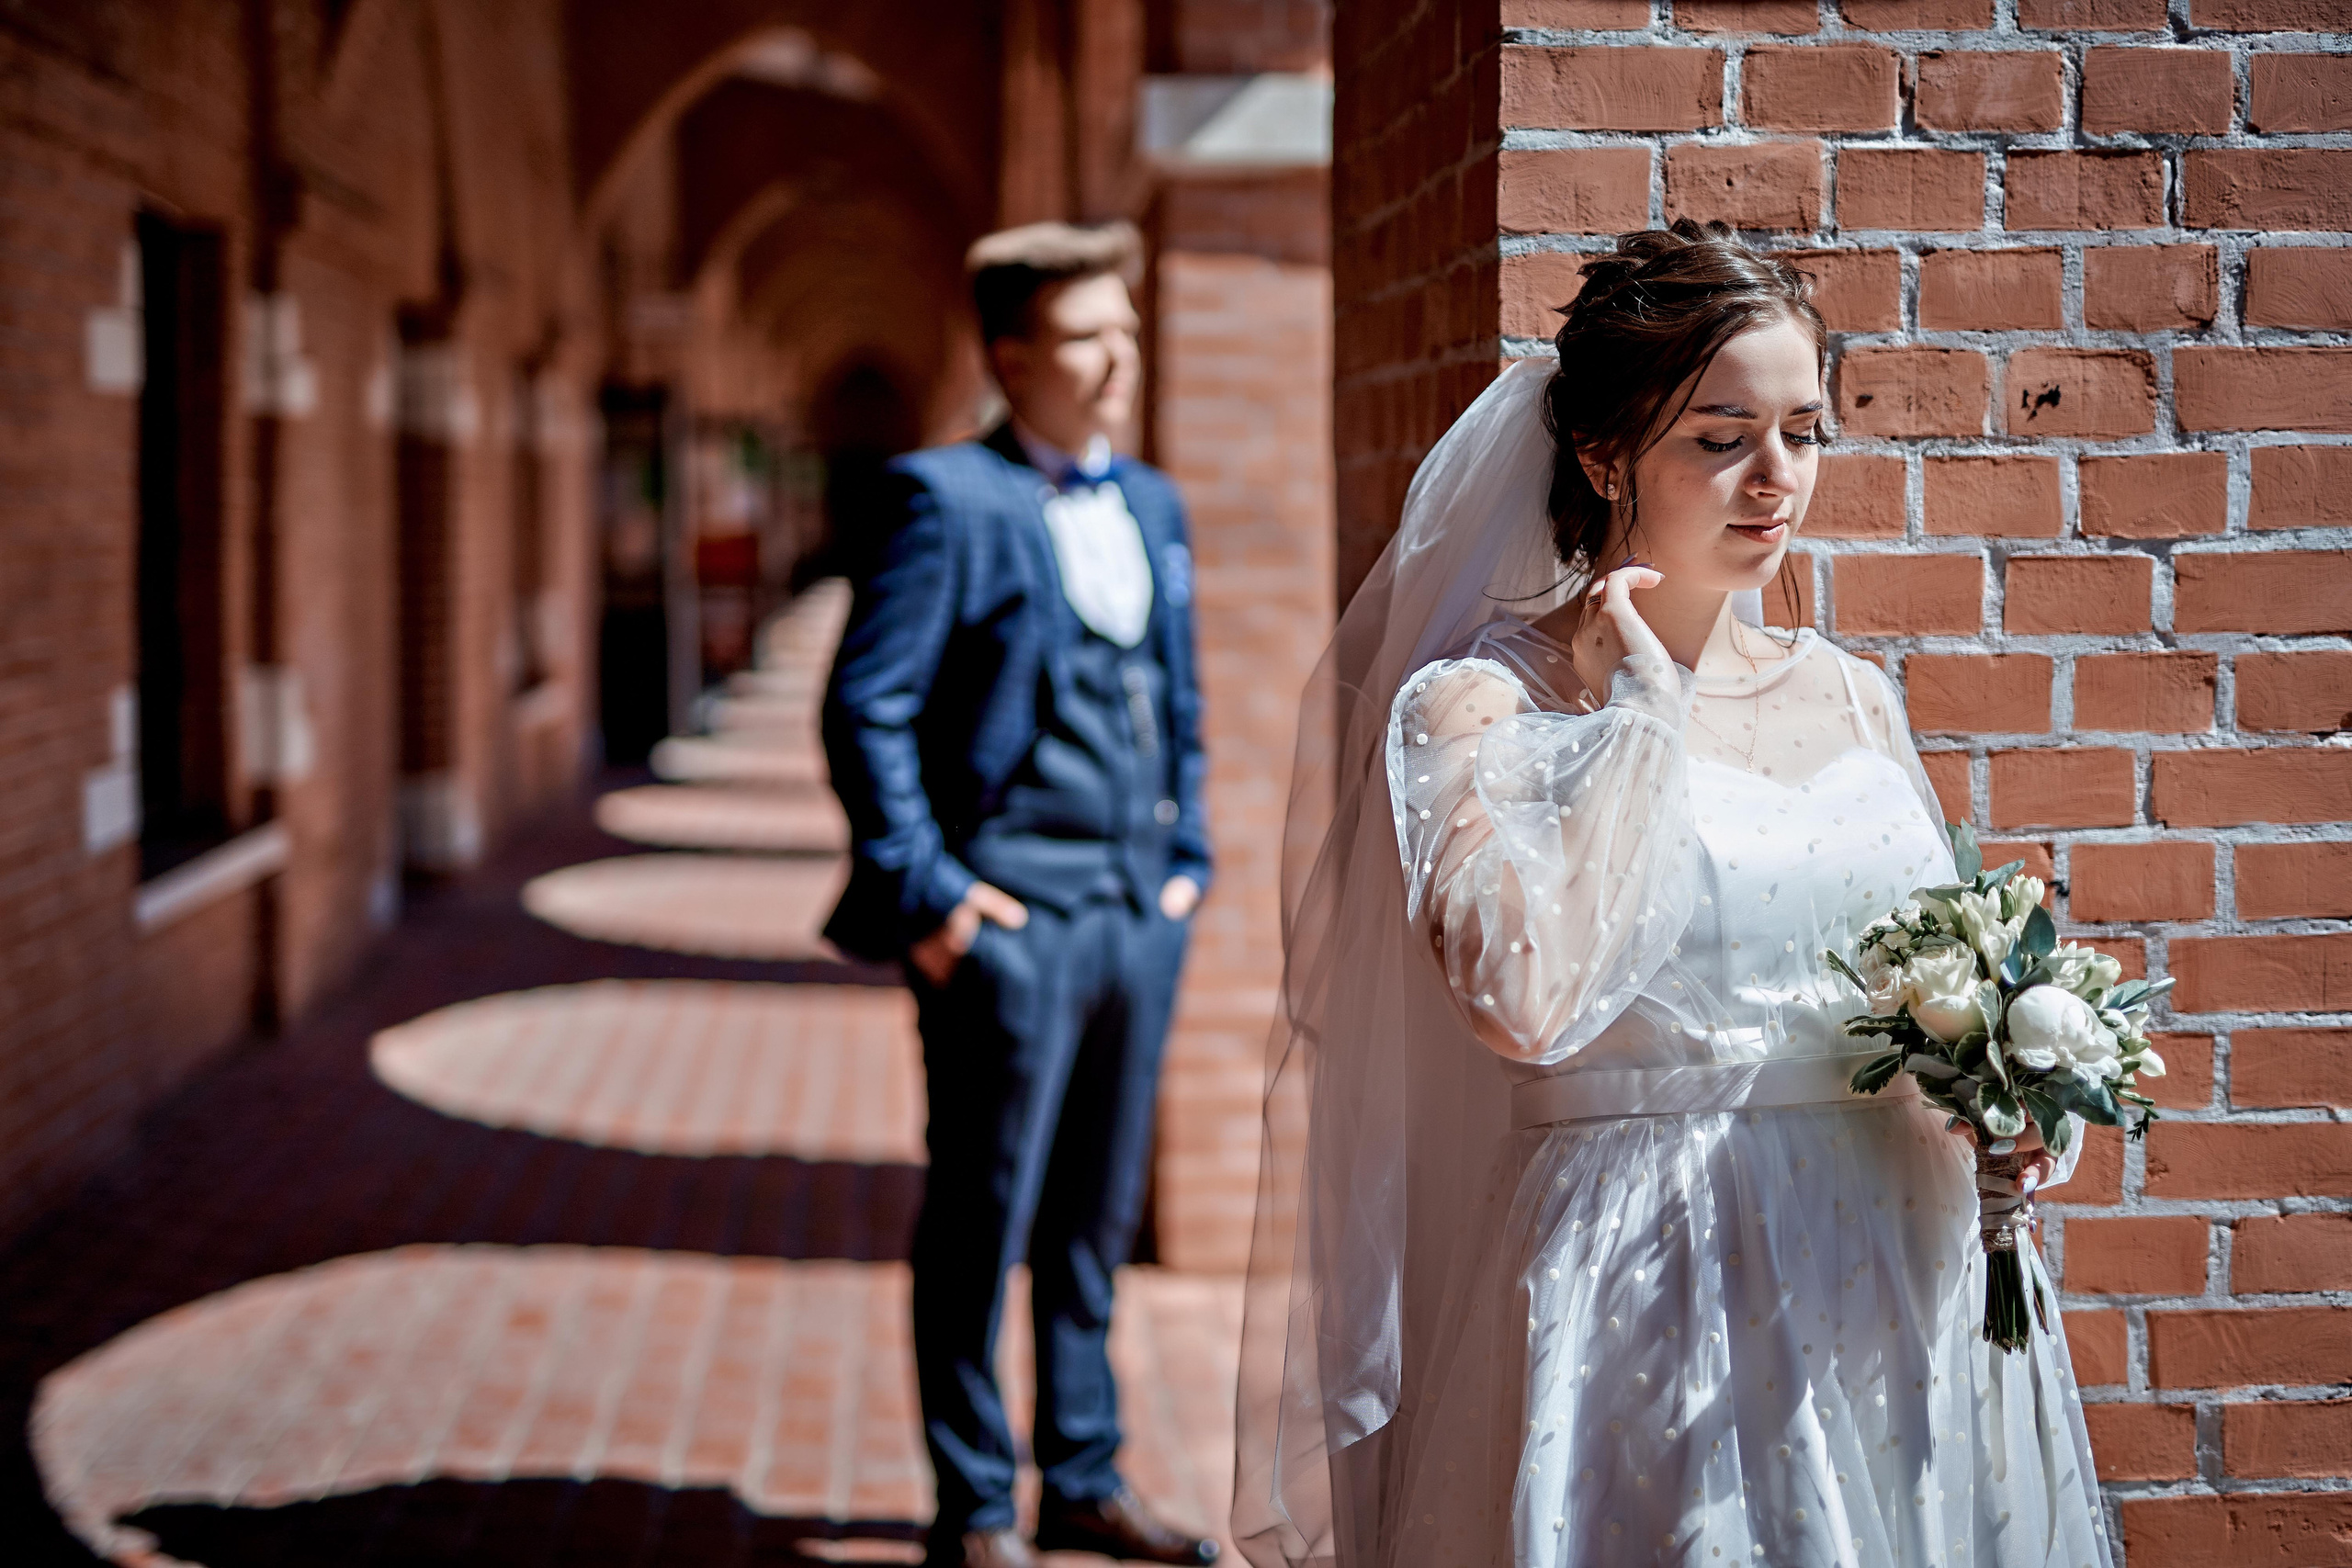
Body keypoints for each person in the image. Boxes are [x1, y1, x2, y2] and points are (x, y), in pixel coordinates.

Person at [1233, 220, 2105, 1567]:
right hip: (1660, 1284)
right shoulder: (1481, 701)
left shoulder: (1855, 695)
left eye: (1804, 432)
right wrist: (1645, 710)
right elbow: (1522, 1006)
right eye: (1720, 437)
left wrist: (2002, 1097)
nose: (1777, 480)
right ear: (1601, 454)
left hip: (1902, 1271)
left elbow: (1912, 979)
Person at [821, 220, 1219, 1568]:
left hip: (1132, 919)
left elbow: (1180, 699)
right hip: (1008, 919)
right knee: (983, 1216)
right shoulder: (945, 499)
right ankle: (977, 1503)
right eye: (1084, 338)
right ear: (1009, 355)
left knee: (1096, 1217)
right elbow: (866, 708)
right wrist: (930, 897)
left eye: (1127, 329)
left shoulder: (1155, 504)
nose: (1117, 360)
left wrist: (1186, 865)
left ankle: (1085, 1477)